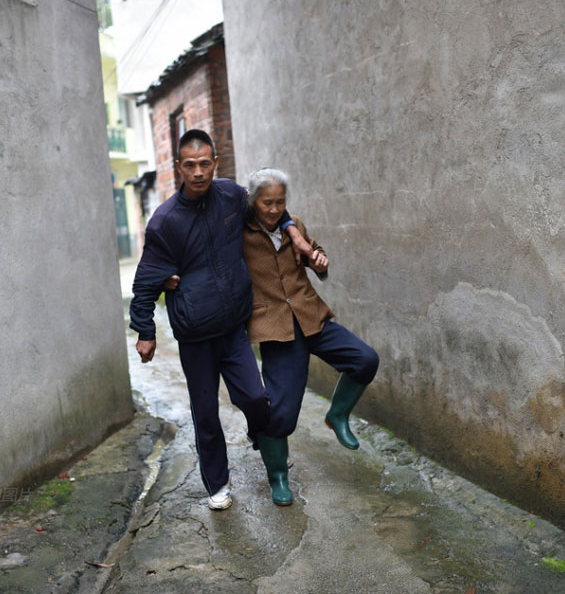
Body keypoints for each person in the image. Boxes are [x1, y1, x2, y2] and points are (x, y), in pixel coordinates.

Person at [129, 130, 314, 511]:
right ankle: (218, 483)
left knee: (255, 397)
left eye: (205, 163)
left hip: (233, 326)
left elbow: (268, 211)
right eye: (190, 165)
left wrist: (291, 228)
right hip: (195, 334)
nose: (198, 172)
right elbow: (145, 282)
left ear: (216, 163)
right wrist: (145, 331)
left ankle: (260, 437)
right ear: (178, 167)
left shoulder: (231, 196)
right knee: (206, 413)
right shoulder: (165, 222)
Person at [241, 168, 379, 505]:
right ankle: (278, 477)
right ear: (253, 202)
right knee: (281, 414)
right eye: (266, 202)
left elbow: (318, 259)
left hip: (311, 316)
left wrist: (320, 262)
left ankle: (337, 414)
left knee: (365, 359)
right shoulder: (239, 234)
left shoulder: (295, 226)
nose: (274, 209)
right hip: (277, 329)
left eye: (280, 202)